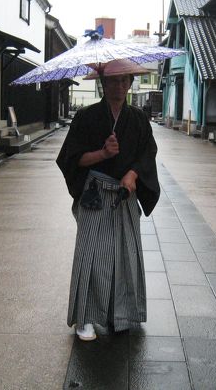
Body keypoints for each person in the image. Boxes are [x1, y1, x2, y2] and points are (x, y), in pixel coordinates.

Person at [56, 59, 160, 342]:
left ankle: (121, 314)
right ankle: (85, 318)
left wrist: (133, 174)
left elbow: (148, 153)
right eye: (113, 80)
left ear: (130, 83)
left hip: (125, 193)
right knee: (92, 256)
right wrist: (102, 154)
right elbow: (71, 158)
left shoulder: (138, 118)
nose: (120, 85)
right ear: (103, 83)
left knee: (125, 255)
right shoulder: (86, 117)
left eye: (125, 80)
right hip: (95, 194)